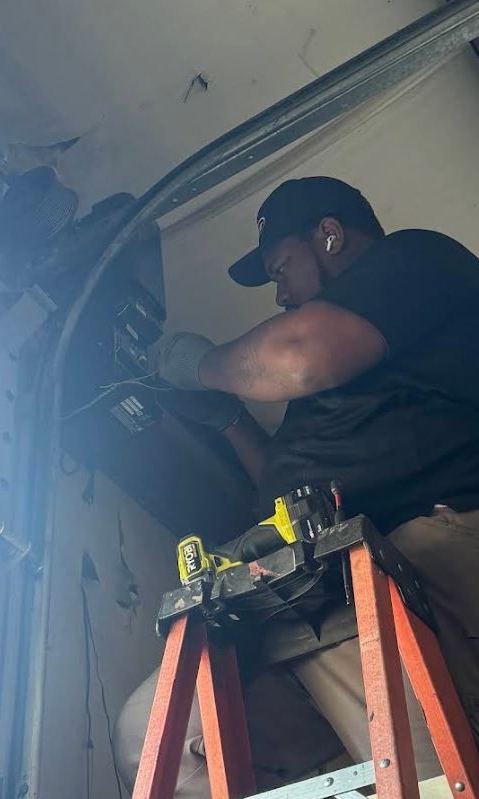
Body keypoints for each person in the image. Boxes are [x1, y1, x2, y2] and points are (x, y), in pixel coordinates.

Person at [115, 177, 479, 797]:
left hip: (417, 556)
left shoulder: (416, 260)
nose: (281, 295)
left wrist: (197, 364)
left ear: (330, 236)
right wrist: (229, 421)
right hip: (322, 584)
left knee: (434, 783)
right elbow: (292, 496)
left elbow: (299, 355)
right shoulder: (348, 389)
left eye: (281, 270)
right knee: (156, 741)